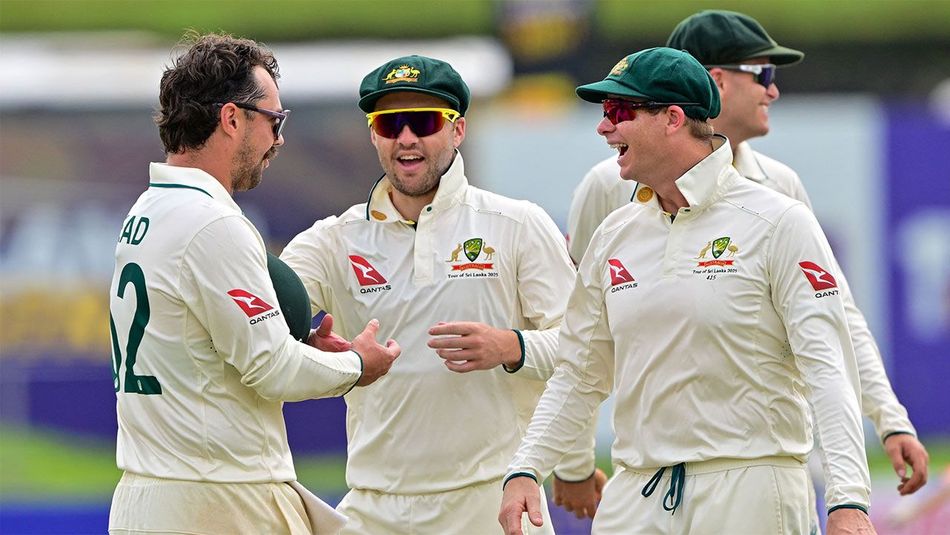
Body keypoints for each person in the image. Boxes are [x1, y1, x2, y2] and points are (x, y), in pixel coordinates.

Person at [561, 9, 928, 522]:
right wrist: (572, 461)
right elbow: (573, 336)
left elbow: (837, 320)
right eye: (764, 74)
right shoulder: (609, 185)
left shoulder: (780, 188)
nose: (773, 91)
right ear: (716, 82)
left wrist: (890, 421)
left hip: (755, 472)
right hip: (651, 474)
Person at [499, 46, 876, 535]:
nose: (603, 127)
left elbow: (828, 369)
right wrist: (526, 467)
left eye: (619, 112)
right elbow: (578, 371)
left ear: (673, 118)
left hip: (751, 486)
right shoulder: (615, 232)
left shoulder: (778, 221)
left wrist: (849, 501)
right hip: (636, 492)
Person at [107, 32, 400, 534]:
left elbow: (204, 343)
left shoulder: (148, 209)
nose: (279, 139)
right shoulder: (211, 223)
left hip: (146, 496)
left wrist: (308, 348)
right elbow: (272, 368)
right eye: (275, 121)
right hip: (217, 499)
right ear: (232, 118)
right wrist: (356, 365)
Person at [280, 55, 581, 534]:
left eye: (422, 121)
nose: (405, 138)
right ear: (373, 134)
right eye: (388, 123)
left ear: (457, 131)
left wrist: (511, 346)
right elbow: (258, 325)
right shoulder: (332, 239)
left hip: (494, 501)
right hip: (375, 507)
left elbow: (584, 347)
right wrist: (306, 346)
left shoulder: (517, 224)